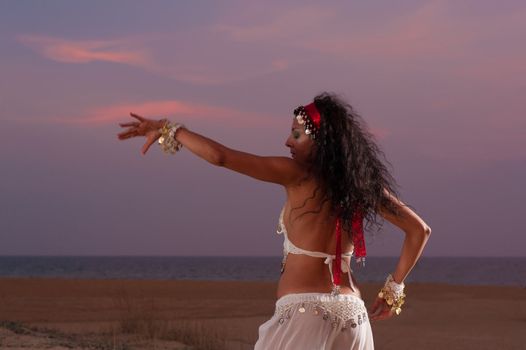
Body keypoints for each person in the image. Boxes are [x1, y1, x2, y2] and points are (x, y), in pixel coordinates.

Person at [117, 92, 431, 349]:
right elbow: (419, 230)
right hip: (354, 318)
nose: (287, 142)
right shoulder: (361, 184)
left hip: (304, 315)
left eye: (297, 134)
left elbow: (221, 157)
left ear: (321, 142)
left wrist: (170, 129)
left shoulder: (297, 175)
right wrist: (393, 292)